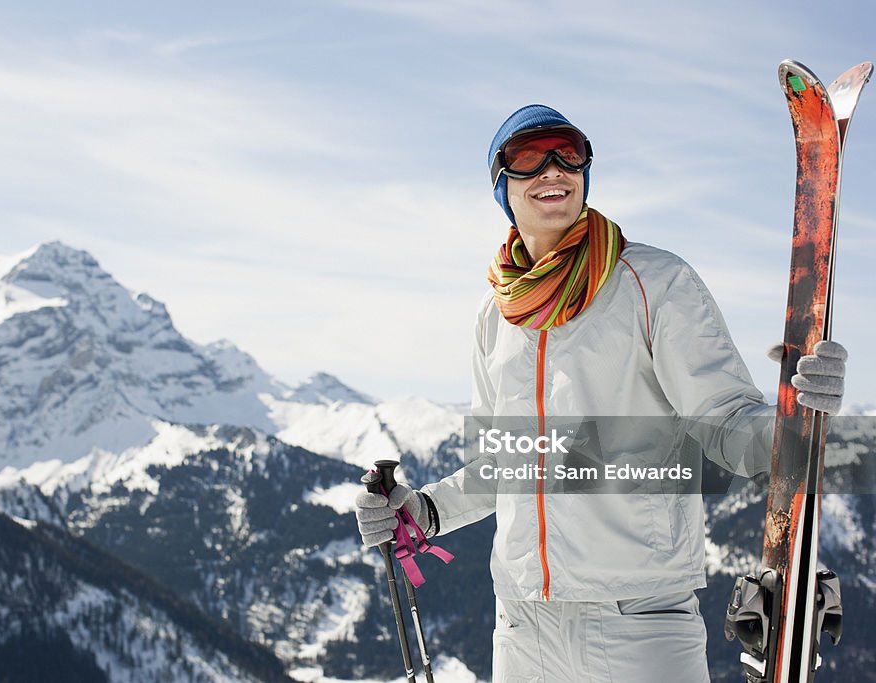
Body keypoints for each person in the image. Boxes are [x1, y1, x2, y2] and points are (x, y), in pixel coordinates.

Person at [355, 105, 848, 682]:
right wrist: (426, 510)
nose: (553, 169)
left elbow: (724, 420)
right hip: (522, 627)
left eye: (570, 153)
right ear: (501, 185)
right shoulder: (497, 317)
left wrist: (794, 419)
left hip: (638, 620)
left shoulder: (654, 283)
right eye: (528, 158)